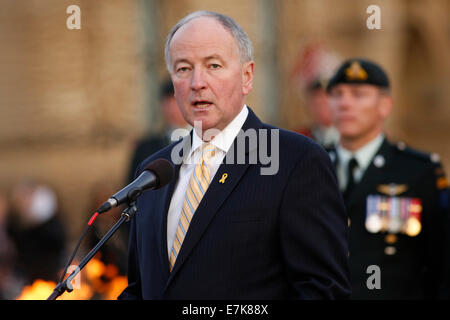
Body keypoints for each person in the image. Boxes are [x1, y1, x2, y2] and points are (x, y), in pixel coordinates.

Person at [118, 10, 351, 300]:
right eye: (183, 69)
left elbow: (321, 290)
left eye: (213, 65)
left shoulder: (295, 161)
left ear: (246, 76)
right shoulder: (154, 171)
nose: (197, 82)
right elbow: (139, 289)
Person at [326, 58, 450, 299]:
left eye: (358, 94)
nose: (345, 103)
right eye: (337, 94)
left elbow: (442, 260)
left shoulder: (418, 171)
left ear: (385, 105)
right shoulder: (309, 166)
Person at [127, 79, 188, 183]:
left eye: (178, 102)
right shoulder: (145, 148)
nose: (173, 109)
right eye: (168, 103)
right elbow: (132, 186)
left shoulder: (206, 143)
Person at [291, 43, 341, 148]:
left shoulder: (359, 138)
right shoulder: (297, 140)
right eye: (316, 99)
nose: (322, 104)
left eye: (328, 97)